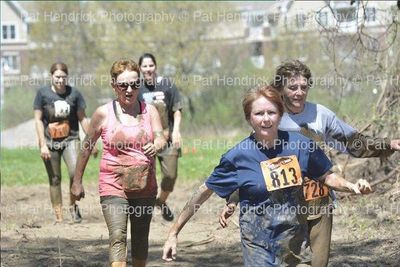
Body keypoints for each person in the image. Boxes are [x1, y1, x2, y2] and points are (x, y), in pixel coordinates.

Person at [162, 86, 372, 266]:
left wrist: (352, 186)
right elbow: (202, 193)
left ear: (280, 115)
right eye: (259, 113)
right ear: (248, 118)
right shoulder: (238, 156)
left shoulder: (300, 144)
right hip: (259, 247)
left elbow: (326, 176)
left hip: (296, 244)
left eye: (271, 112)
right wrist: (174, 233)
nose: (265, 119)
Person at [220, 60, 400, 267]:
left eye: (304, 87)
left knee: (318, 262)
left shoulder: (320, 114)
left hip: (318, 200)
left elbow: (353, 143)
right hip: (284, 208)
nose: (299, 93)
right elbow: (252, 164)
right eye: (292, 87)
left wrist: (389, 144)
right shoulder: (269, 116)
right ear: (280, 88)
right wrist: (234, 198)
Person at [71, 59, 166, 267]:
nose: (129, 89)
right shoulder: (103, 113)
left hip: (145, 186)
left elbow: (160, 136)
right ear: (114, 85)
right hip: (112, 185)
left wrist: (157, 145)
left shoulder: (150, 111)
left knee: (140, 239)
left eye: (134, 84)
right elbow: (86, 146)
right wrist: (76, 181)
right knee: (117, 235)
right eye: (123, 85)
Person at [33, 62, 93, 223]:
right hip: (49, 142)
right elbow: (38, 120)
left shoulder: (75, 94)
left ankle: (73, 206)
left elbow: (83, 118)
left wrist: (91, 139)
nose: (60, 80)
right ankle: (59, 216)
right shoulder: (42, 94)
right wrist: (42, 144)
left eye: (63, 77)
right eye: (57, 76)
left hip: (70, 139)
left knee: (75, 173)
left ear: (67, 77)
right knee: (54, 179)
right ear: (51, 76)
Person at [138, 53, 183, 221]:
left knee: (170, 176)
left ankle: (161, 201)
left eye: (151, 65)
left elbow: (177, 110)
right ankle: (141, 211)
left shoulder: (167, 85)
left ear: (155, 66)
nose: (148, 69)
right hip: (144, 140)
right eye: (144, 66)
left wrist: (177, 131)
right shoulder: (136, 88)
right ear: (140, 68)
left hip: (167, 137)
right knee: (143, 177)